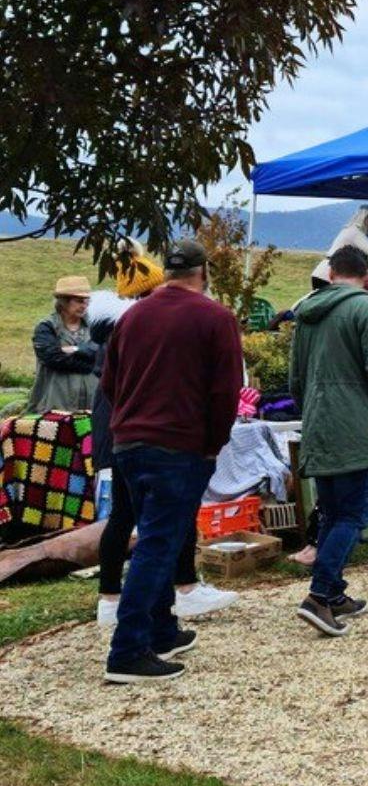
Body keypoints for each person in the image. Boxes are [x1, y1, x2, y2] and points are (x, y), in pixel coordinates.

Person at [99, 240, 243, 683]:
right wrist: (213, 443)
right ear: (203, 272)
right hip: (178, 443)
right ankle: (127, 650)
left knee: (157, 535)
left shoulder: (133, 316)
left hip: (128, 440)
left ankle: (161, 629)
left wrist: (131, 419)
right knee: (160, 543)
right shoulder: (215, 317)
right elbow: (226, 391)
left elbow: (110, 382)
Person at [289, 244, 368, 636]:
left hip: (320, 421)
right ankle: (320, 595)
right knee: (354, 515)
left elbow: (295, 378)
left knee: (332, 511)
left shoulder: (307, 313)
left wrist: (312, 409)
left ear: (331, 273)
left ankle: (335, 591)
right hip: (358, 422)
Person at [28, 275, 98, 413]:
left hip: (92, 408)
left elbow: (105, 353)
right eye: (79, 301)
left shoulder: (95, 326)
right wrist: (91, 364)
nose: (84, 305)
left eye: (86, 301)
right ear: (64, 301)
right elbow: (53, 358)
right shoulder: (46, 327)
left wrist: (75, 349)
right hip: (54, 408)